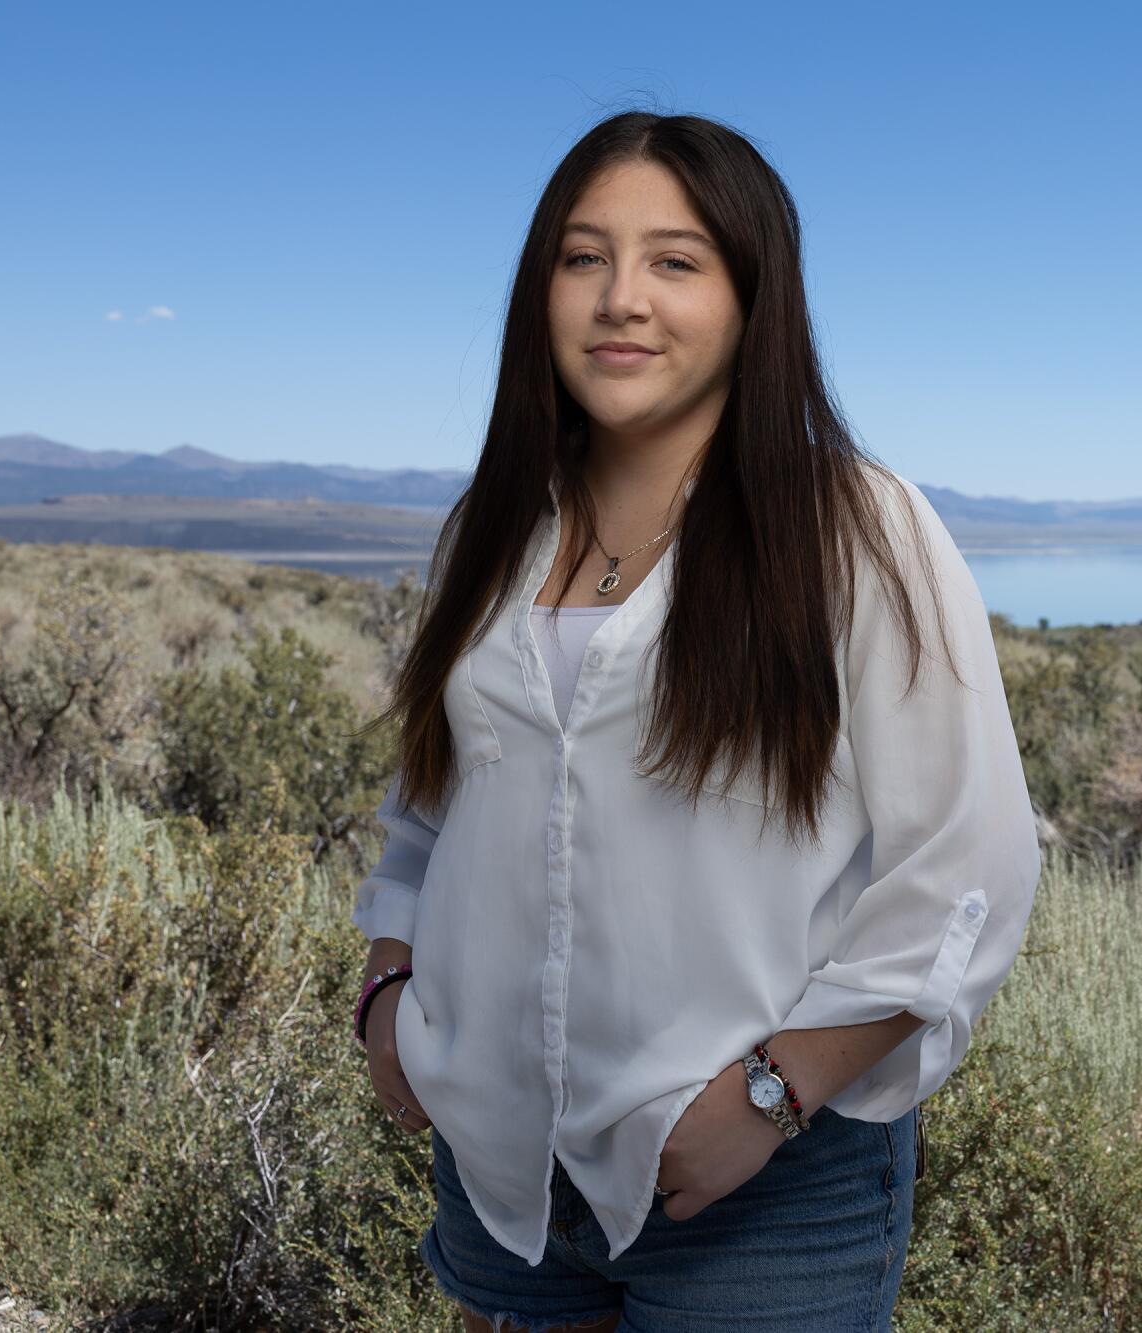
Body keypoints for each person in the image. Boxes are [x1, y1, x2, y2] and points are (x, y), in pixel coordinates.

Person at [349, 109, 1040, 1333]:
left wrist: (769, 1099)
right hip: (502, 1158)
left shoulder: (855, 531)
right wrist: (388, 993)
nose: (621, 298)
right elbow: (433, 803)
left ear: (749, 297)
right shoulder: (491, 527)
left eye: (675, 261)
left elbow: (966, 864)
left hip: (765, 1183)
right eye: (581, 257)